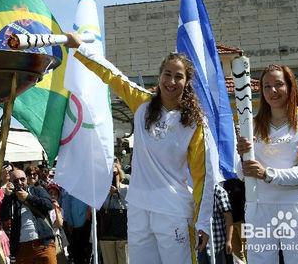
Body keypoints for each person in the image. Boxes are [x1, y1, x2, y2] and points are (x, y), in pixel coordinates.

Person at [65, 33, 218, 264]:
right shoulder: (142, 104)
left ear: (187, 83)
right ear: (159, 76)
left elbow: (204, 177)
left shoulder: (195, 124)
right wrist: (79, 48)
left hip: (173, 212)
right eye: (167, 74)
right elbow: (112, 75)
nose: (171, 81)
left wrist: (203, 220)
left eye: (179, 77)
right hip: (138, 209)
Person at [236, 64, 298, 264]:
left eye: (278, 84)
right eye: (266, 86)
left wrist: (267, 174)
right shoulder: (250, 126)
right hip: (259, 207)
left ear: (290, 87)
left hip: (295, 205)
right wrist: (242, 157)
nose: (272, 91)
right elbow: (240, 174)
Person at [0, 169, 56, 264]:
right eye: (16, 181)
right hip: (22, 248)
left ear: (26, 179)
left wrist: (28, 197)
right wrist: (7, 197)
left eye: (22, 179)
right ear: (11, 183)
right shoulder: (11, 198)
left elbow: (49, 205)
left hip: (43, 244)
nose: (20, 183)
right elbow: (3, 217)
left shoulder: (36, 190)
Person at [98, 160, 129, 264]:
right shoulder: (102, 191)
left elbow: (130, 204)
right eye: (109, 174)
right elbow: (99, 208)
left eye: (114, 173)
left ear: (119, 173)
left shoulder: (126, 189)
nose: (112, 176)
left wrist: (117, 191)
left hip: (124, 235)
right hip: (107, 234)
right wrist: (107, 193)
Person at [197, 184, 233, 264]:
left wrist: (228, 240)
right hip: (198, 241)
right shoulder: (194, 188)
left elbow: (228, 216)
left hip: (215, 243)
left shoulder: (218, 190)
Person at [46, 183, 69, 264]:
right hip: (47, 239)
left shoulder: (60, 210)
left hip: (57, 238)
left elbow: (58, 224)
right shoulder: (43, 208)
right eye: (50, 193)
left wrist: (56, 209)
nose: (52, 196)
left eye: (55, 194)